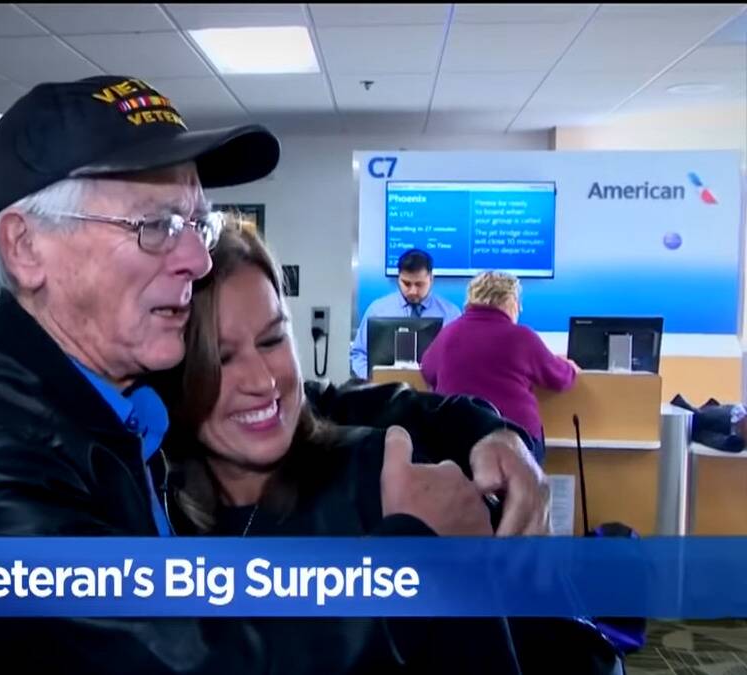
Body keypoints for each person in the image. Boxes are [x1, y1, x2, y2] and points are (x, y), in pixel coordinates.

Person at [0, 75, 547, 675]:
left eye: (196, 223)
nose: (194, 257)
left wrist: (483, 430)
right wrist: (416, 552)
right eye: (154, 225)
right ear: (26, 249)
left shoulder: (115, 385)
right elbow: (189, 659)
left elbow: (311, 400)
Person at [160, 226, 619, 675]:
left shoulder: (390, 480)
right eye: (221, 358)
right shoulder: (149, 506)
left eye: (272, 339)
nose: (263, 381)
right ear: (171, 376)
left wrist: (493, 433)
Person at [420, 271, 579, 465]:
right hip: (515, 441)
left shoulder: (448, 333)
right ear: (510, 301)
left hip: (457, 440)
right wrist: (568, 366)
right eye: (518, 302)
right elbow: (559, 379)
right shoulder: (521, 337)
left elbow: (427, 370)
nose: (519, 308)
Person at [350, 249, 462, 380]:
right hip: (386, 393)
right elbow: (358, 354)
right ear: (398, 278)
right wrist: (373, 379)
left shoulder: (451, 314)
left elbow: (460, 359)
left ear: (431, 279)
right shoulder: (378, 310)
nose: (413, 291)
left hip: (434, 396)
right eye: (407, 284)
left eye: (419, 284)